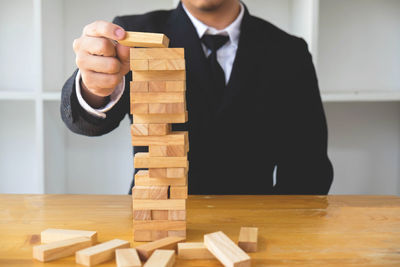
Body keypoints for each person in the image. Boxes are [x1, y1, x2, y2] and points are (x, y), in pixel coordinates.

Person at [61, 0, 334, 195]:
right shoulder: (133, 35)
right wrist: (94, 89)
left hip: (256, 229)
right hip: (156, 220)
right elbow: (90, 123)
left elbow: (308, 169)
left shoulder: (288, 52)